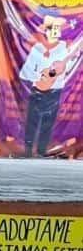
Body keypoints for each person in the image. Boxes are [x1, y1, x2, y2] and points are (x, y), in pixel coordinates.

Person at [19, 15, 81, 157]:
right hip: (37, 89)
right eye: (53, 28)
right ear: (46, 31)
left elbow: (69, 65)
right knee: (32, 120)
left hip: (55, 91)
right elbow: (26, 71)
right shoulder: (38, 48)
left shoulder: (65, 47)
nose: (56, 31)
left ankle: (41, 150)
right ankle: (28, 150)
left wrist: (69, 61)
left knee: (48, 122)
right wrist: (39, 74)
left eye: (58, 28)